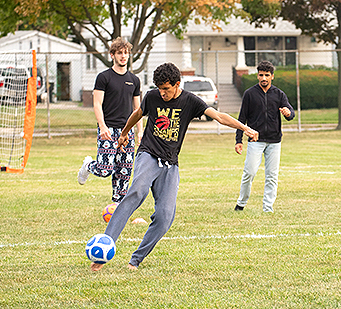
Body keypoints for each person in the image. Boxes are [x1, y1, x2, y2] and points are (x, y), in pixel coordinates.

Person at [90, 63, 258, 271]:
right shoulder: (152, 97)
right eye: (159, 88)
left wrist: (245, 128)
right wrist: (125, 133)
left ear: (177, 84)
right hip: (148, 154)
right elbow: (138, 113)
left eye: (166, 89)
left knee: (165, 217)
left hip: (170, 163)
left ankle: (136, 259)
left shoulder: (190, 101)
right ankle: (104, 246)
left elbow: (219, 117)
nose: (162, 93)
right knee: (136, 192)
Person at [77, 37, 143, 204]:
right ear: (112, 55)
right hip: (108, 129)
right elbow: (97, 103)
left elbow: (138, 110)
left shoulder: (134, 80)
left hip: (126, 132)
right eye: (119, 53)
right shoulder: (104, 77)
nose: (123, 56)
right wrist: (102, 125)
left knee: (124, 173)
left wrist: (140, 131)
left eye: (126, 53)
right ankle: (88, 166)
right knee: (105, 169)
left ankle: (116, 208)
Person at [234, 60, 295, 213]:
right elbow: (241, 119)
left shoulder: (279, 94)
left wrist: (289, 113)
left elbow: (290, 112)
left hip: (274, 141)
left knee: (272, 176)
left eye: (267, 75)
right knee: (250, 172)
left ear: (272, 76)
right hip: (255, 140)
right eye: (261, 75)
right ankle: (241, 203)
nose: (264, 78)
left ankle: (268, 208)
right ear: (257, 76)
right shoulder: (249, 94)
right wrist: (238, 140)